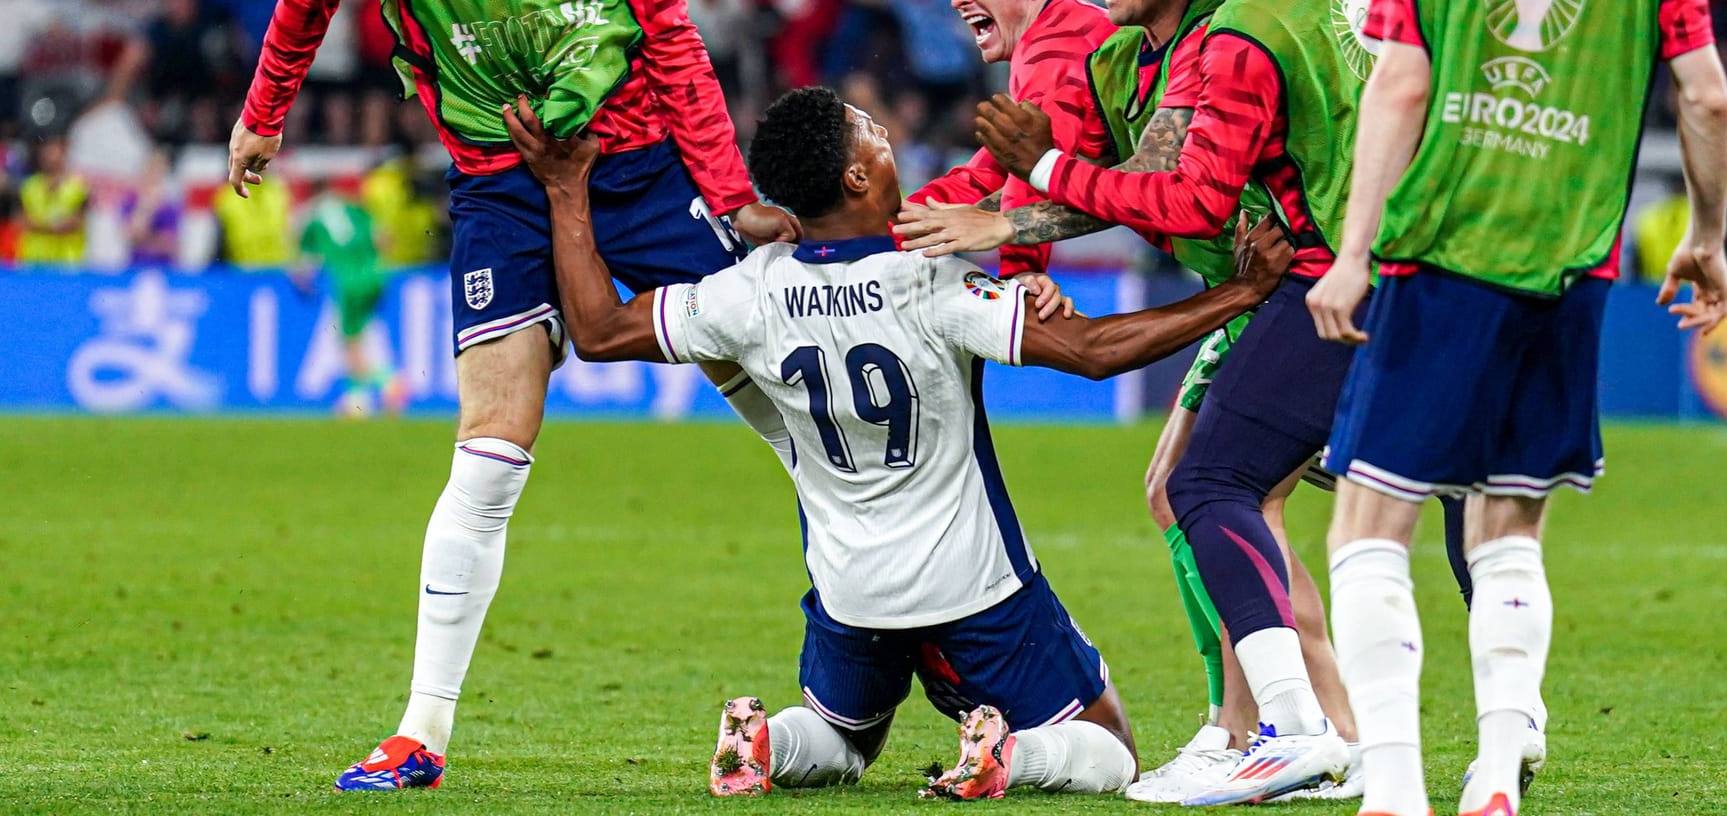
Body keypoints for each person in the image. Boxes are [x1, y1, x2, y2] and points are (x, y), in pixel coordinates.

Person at [222, 0, 801, 791]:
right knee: (488, 452)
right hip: (499, 189)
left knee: (790, 400)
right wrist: (264, 116)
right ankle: (420, 733)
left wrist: (730, 198)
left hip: (637, 167)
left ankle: (903, 632)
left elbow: (672, 42)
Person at [500, 86, 1298, 802]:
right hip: (975, 588)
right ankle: (1009, 757)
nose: (888, 136)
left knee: (844, 741)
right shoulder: (928, 283)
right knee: (1112, 749)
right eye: (871, 134)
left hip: (850, 593)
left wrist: (568, 193)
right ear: (854, 179)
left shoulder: (749, 290)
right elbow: (1093, 352)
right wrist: (1240, 291)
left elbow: (600, 333)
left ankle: (766, 739)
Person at [1301, 0, 1727, 815]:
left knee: (1367, 527)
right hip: (1570, 259)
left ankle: (1393, 786)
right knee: (1509, 528)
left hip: (1444, 248)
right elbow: (1709, 96)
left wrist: (1352, 252)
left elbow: (1398, 83)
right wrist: (1709, 235)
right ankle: (1497, 772)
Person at [896, 0, 1357, 803]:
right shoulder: (1112, 49)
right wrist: (892, 221)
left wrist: (1018, 261)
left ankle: (1287, 729)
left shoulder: (1131, 41)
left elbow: (1129, 178)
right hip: (1256, 278)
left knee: (1220, 494)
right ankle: (1291, 725)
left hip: (1289, 274)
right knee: (1199, 495)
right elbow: (1025, 177)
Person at [909, 0, 1114, 281]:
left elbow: (1034, 173)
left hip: (1244, 240)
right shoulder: (1064, 30)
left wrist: (1021, 273)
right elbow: (991, 172)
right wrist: (872, 232)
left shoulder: (1055, 48)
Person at [298, 176, 408, 417]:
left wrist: (304, 285)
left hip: (347, 283)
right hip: (376, 276)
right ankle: (362, 395)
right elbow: (384, 238)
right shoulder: (353, 208)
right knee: (360, 335)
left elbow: (305, 266)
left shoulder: (313, 217)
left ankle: (379, 387)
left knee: (350, 341)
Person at [17, 134, 88, 267]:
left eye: (53, 150)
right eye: (46, 151)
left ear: (64, 153)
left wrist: (40, 225)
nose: (48, 156)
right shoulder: (29, 185)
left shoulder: (78, 186)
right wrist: (54, 226)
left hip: (67, 262)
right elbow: (22, 221)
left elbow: (76, 222)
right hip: (34, 260)